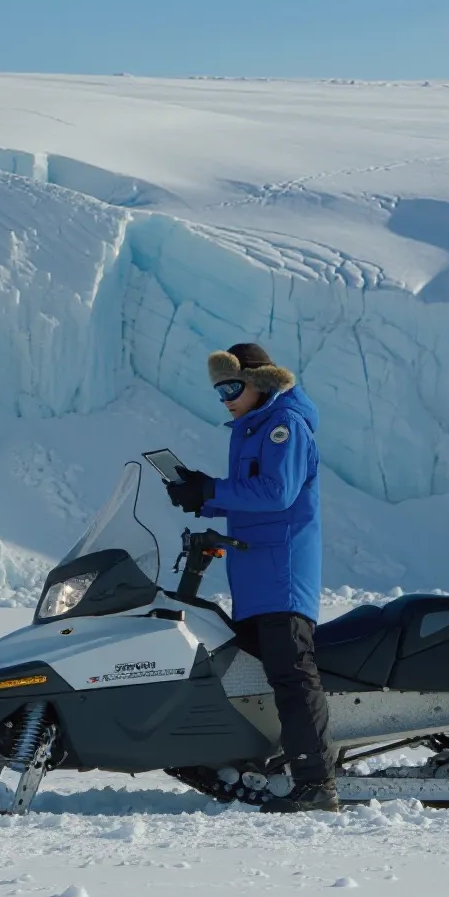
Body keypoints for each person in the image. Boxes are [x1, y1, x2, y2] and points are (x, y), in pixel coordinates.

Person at [165, 341, 338, 812]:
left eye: (232, 386)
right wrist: (203, 496)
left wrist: (214, 490)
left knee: (292, 678)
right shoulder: (251, 427)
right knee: (250, 678)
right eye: (218, 389)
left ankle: (317, 784)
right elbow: (252, 494)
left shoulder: (284, 426)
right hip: (257, 580)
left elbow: (277, 493)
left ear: (260, 383)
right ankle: (261, 763)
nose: (224, 397)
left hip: (282, 577)